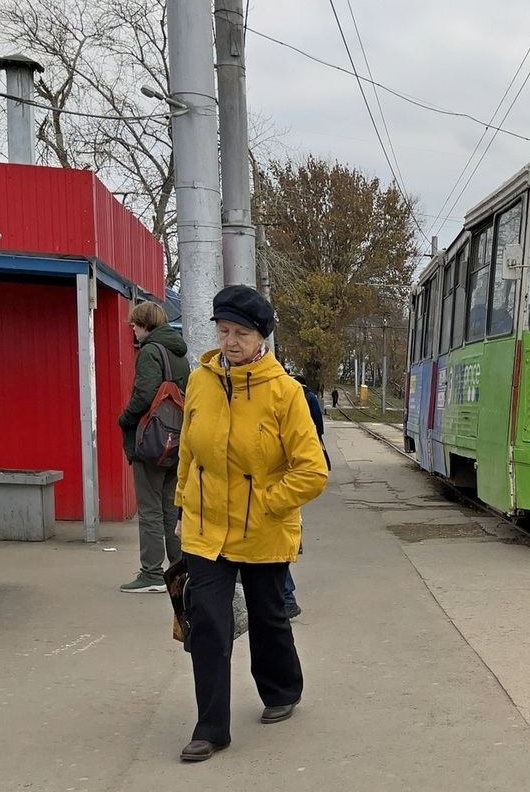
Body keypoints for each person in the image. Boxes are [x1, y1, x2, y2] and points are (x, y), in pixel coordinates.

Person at [175, 285, 328, 762]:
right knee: (208, 626)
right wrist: (182, 508)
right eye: (223, 331)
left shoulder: (284, 392)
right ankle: (211, 728)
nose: (230, 341)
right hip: (205, 528)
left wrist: (267, 503)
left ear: (262, 337)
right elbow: (187, 452)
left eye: (241, 332)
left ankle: (282, 690)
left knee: (268, 618)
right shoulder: (199, 381)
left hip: (262, 528)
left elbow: (313, 469)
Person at [117, 301, 190, 593]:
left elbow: (144, 393)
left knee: (149, 509)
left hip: (151, 441)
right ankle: (179, 569)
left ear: (145, 324)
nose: (133, 330)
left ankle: (150, 573)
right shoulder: (179, 352)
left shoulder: (150, 351)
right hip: (177, 440)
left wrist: (124, 419)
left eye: (135, 325)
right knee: (171, 508)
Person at [283, 374, 331, 620]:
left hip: (269, 508)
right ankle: (287, 599)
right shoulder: (306, 394)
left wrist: (270, 502)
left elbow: (314, 473)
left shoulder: (289, 393)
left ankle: (288, 599)